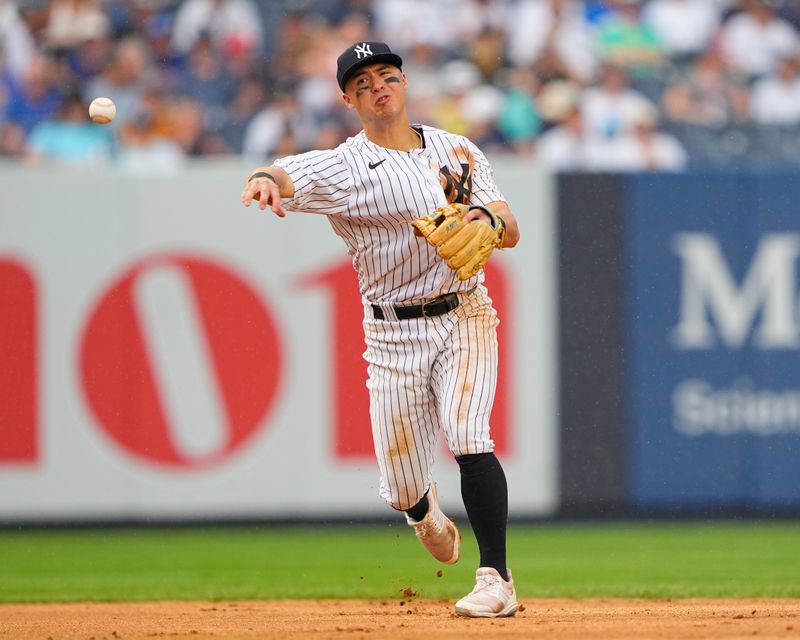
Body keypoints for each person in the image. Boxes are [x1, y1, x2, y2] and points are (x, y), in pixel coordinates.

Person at [240, 41, 521, 618]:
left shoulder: (457, 148)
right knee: (401, 487)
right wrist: (264, 180)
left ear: (405, 82)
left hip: (465, 312)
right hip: (392, 334)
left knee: (469, 433)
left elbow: (509, 225)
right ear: (348, 98)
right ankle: (422, 512)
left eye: (386, 75)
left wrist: (488, 219)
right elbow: (284, 171)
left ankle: (497, 578)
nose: (377, 86)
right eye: (362, 82)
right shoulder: (345, 166)